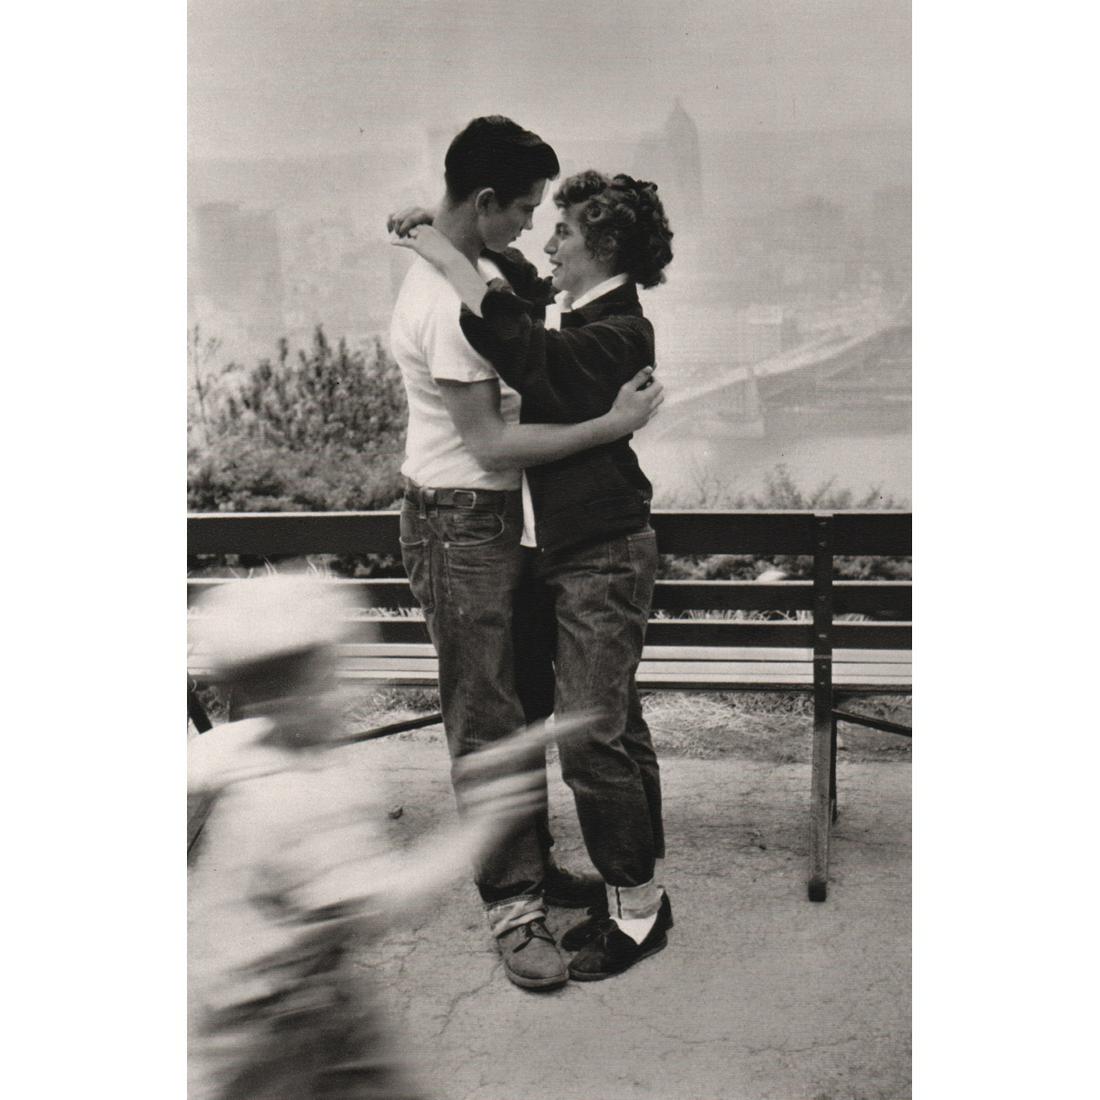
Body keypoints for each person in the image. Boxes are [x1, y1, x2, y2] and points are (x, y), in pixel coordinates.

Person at [386, 116, 664, 991]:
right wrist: (615, 425)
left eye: (557, 221)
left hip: (500, 526)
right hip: (464, 520)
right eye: (526, 209)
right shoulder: (451, 303)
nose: (535, 232)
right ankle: (515, 907)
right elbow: (494, 441)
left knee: (554, 721)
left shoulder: (481, 280)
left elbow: (522, 314)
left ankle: (586, 886)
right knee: (493, 724)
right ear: (485, 202)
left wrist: (436, 238)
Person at [187, 575, 589, 1099]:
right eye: (334, 675)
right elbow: (387, 903)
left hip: (253, 998)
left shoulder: (233, 747)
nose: (349, 690)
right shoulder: (298, 803)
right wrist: (487, 821)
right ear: (302, 690)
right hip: (274, 1028)